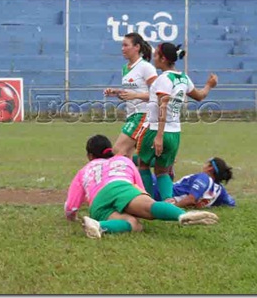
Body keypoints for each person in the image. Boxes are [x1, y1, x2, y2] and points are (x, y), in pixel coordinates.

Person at [64, 134, 219, 239]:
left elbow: (71, 206)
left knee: (134, 225)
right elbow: (138, 186)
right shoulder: (123, 161)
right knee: (148, 208)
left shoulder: (85, 169)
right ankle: (181, 215)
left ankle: (98, 225)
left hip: (98, 202)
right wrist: (142, 202)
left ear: (89, 156)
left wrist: (72, 217)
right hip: (121, 187)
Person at [137, 43, 218, 202]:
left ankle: (148, 202)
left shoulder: (163, 79)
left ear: (163, 58)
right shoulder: (183, 78)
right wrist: (209, 85)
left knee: (143, 164)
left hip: (155, 129)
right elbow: (200, 96)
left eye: (156, 55)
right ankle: (168, 203)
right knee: (163, 171)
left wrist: (159, 136)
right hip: (174, 133)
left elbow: (163, 105)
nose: (154, 58)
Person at [104, 33, 157, 159]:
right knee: (127, 155)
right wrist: (117, 93)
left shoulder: (146, 67)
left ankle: (163, 164)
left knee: (118, 150)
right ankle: (136, 175)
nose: (122, 48)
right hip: (131, 115)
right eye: (122, 45)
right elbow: (130, 94)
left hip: (143, 115)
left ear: (137, 47)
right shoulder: (125, 68)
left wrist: (135, 95)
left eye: (126, 45)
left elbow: (158, 94)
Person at [152, 157, 236, 208]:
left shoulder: (204, 177)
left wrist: (171, 208)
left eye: (207, 163)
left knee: (142, 168)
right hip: (165, 192)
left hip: (160, 191)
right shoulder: (220, 191)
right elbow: (231, 203)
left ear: (210, 168)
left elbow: (191, 199)